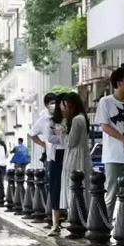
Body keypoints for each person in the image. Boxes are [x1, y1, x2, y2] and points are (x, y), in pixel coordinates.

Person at [97, 67, 124, 219]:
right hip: (114, 156)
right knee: (112, 194)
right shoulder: (106, 102)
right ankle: (105, 226)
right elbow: (105, 126)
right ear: (119, 83)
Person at [57, 93, 91, 231]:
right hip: (82, 155)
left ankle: (77, 219)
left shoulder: (77, 119)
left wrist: (63, 132)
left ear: (72, 106)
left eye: (65, 106)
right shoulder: (83, 118)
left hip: (75, 156)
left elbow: (71, 142)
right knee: (82, 187)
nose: (63, 110)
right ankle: (80, 217)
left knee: (74, 187)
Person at [31, 93, 65, 231]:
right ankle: (54, 219)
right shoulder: (44, 119)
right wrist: (44, 145)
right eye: (51, 102)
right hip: (53, 155)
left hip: (67, 153)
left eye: (55, 102)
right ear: (46, 105)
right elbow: (32, 134)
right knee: (54, 186)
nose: (54, 105)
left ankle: (67, 215)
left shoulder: (65, 116)